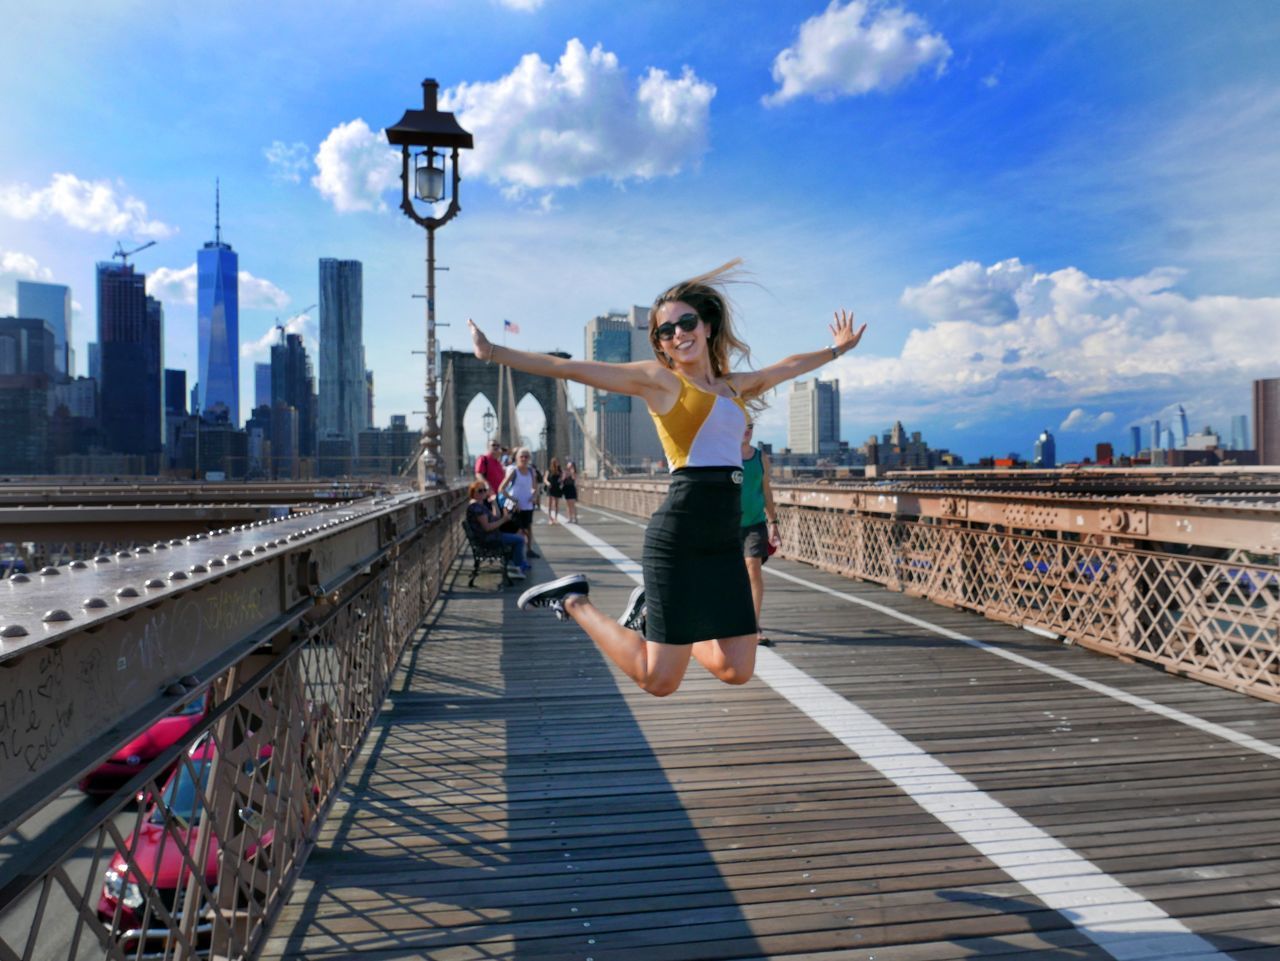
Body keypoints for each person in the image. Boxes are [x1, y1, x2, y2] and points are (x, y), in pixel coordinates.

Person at [466, 259, 864, 697]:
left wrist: (836, 351)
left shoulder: (732, 388)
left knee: (738, 668)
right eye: (665, 331)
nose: (678, 334)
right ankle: (573, 600)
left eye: (686, 322)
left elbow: (784, 368)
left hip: (724, 539)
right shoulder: (661, 381)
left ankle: (660, 617)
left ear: (707, 326)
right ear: (660, 344)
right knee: (659, 680)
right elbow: (572, 369)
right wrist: (494, 354)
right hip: (681, 531)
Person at [739, 420, 780, 647]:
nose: (747, 429)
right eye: (743, 424)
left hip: (755, 524)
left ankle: (753, 626)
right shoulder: (724, 456)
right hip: (727, 524)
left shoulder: (760, 457)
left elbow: (766, 490)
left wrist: (773, 522)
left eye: (751, 425)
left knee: (753, 568)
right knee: (730, 575)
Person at [465, 479, 529, 580]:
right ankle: (517, 567)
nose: (483, 492)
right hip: (489, 539)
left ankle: (514, 565)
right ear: (473, 493)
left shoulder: (480, 505)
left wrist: (494, 502)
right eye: (480, 491)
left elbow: (496, 517)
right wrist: (504, 520)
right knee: (519, 539)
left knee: (516, 534)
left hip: (491, 536)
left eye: (484, 490)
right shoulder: (476, 508)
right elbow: (487, 527)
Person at [499, 446, 542, 560]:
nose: (524, 459)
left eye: (526, 456)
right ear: (517, 458)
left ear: (529, 458)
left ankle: (529, 550)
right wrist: (513, 501)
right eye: (521, 456)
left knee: (528, 528)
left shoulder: (531, 471)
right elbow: (501, 488)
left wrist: (534, 496)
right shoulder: (514, 471)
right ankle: (517, 554)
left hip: (527, 505)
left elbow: (535, 487)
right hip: (515, 507)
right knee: (517, 529)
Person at [545, 457, 563, 524]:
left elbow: (562, 478)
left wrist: (561, 480)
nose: (556, 464)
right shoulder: (549, 470)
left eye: (557, 462)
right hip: (550, 487)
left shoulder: (559, 470)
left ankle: (555, 518)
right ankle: (550, 518)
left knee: (556, 504)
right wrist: (547, 483)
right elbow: (545, 479)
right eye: (555, 462)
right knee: (549, 503)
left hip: (557, 488)